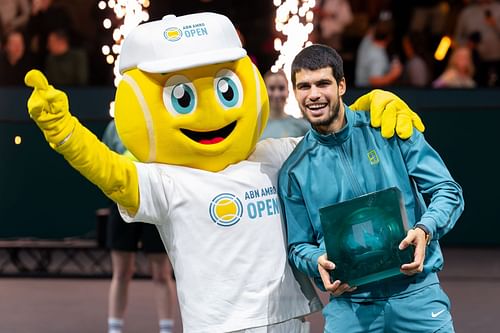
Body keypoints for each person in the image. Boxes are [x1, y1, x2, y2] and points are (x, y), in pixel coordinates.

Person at [24, 12, 424, 332]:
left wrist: (370, 107)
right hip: (221, 325)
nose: (209, 111)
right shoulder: (166, 181)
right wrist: (66, 134)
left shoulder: (275, 155)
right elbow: (112, 171)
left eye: (224, 89)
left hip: (291, 318)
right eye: (182, 97)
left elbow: (333, 135)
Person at [278, 44, 464, 333]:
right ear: (295, 92)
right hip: (350, 305)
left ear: (341, 85)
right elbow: (298, 246)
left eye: (323, 83)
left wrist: (425, 228)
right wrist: (317, 261)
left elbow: (447, 191)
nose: (313, 94)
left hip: (416, 292)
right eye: (304, 86)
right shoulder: (295, 170)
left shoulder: (388, 128)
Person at [101, 120, 176, 333]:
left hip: (156, 204)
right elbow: (105, 162)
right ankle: (114, 328)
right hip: (123, 204)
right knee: (122, 272)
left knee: (162, 273)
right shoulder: (114, 127)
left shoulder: (160, 119)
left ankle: (166, 329)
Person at [261, 69, 309, 139]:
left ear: (288, 91)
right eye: (272, 88)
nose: (276, 94)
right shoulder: (256, 127)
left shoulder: (302, 127)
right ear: (264, 92)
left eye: (281, 88)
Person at [354, 18, 403, 88]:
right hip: (366, 92)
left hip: (358, 88)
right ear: (390, 37)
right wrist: (393, 75)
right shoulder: (378, 57)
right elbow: (374, 81)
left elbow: (371, 31)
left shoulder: (366, 41)